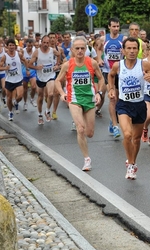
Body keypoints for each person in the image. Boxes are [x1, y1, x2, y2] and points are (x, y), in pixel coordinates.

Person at [107, 37, 150, 180]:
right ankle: (130, 164)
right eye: (129, 48)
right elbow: (111, 76)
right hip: (124, 104)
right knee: (127, 135)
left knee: (136, 139)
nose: (131, 51)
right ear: (123, 50)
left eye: (134, 48)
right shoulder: (118, 66)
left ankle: (133, 161)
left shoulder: (144, 65)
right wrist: (111, 89)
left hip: (139, 105)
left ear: (138, 50)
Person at [55, 36, 105, 171]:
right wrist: (62, 94)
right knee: (80, 129)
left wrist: (98, 93)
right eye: (77, 48)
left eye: (83, 48)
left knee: (89, 133)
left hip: (89, 99)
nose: (80, 51)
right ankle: (86, 159)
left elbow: (101, 79)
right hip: (74, 99)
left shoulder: (92, 63)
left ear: (86, 49)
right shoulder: (67, 65)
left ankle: (84, 122)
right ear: (72, 50)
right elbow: (57, 81)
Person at [97, 17, 127, 138]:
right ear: (109, 27)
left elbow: (128, 51)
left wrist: (124, 53)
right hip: (108, 72)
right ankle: (115, 127)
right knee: (112, 97)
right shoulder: (104, 39)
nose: (115, 28)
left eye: (117, 26)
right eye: (113, 26)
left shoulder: (123, 39)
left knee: (119, 99)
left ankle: (112, 118)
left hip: (120, 72)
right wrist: (99, 58)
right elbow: (98, 49)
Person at [28, 35, 59, 124]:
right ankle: (40, 114)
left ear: (50, 43)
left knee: (51, 94)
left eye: (47, 43)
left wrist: (57, 64)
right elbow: (29, 65)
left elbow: (59, 55)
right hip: (40, 77)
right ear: (41, 42)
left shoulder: (52, 51)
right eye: (44, 42)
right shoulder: (37, 52)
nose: (45, 44)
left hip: (50, 75)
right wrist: (37, 67)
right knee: (40, 97)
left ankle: (47, 111)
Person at [0, 39, 26, 121]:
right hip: (9, 80)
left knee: (20, 95)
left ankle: (16, 102)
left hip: (18, 79)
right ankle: (10, 112)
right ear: (7, 46)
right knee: (9, 98)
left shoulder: (19, 54)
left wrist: (27, 69)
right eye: (10, 45)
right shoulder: (5, 56)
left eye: (13, 45)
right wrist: (5, 68)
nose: (12, 47)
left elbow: (25, 61)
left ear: (15, 46)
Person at [21, 38, 38, 110]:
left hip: (32, 70)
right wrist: (27, 68)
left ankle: (32, 98)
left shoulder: (35, 51)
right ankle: (25, 103)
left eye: (31, 46)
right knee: (25, 89)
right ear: (26, 45)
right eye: (28, 46)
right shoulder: (23, 51)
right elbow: (22, 61)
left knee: (34, 87)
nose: (30, 47)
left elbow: (37, 59)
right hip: (24, 70)